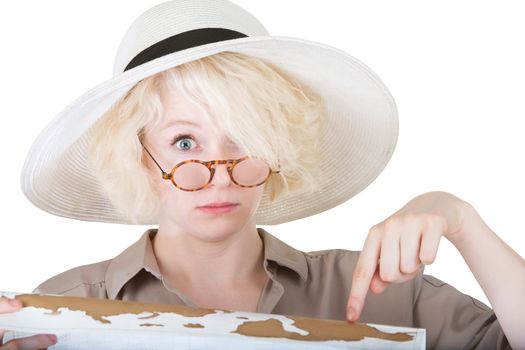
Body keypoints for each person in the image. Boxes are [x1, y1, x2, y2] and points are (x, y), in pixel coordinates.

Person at [1, 0, 524, 349]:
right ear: (138, 155)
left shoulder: (381, 293)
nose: (220, 175)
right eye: (185, 142)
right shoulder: (66, 311)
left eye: (246, 139)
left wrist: (460, 218)